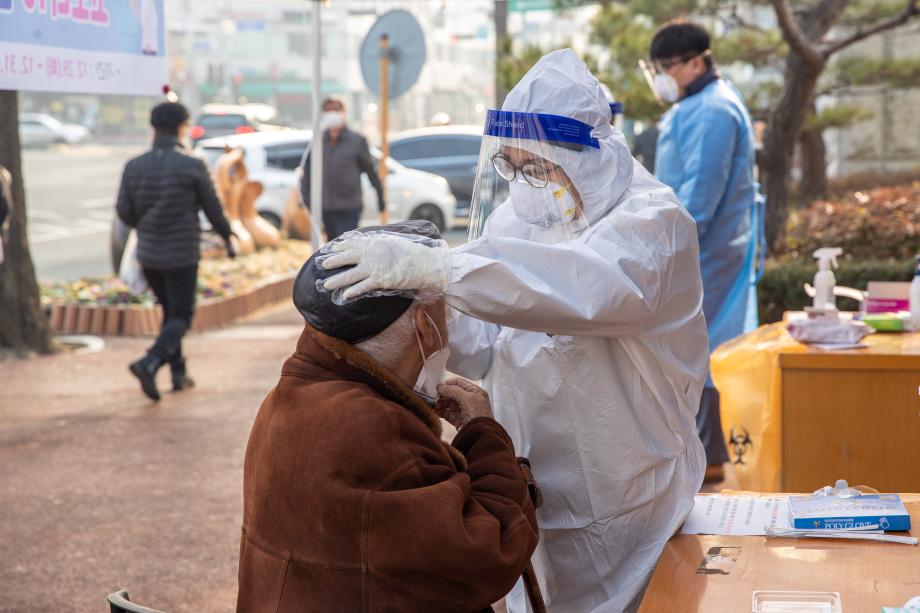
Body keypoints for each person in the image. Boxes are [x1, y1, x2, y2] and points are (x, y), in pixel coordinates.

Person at [321, 50, 708, 612]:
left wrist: (443, 269)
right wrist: (426, 335)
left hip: (630, 500)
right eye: (513, 166)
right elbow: (488, 337)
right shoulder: (521, 216)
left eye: (539, 168)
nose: (526, 184)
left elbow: (585, 290)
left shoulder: (653, 223)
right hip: (532, 491)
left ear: (587, 155)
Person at [237, 220, 541, 612]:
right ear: (424, 326)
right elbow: (490, 553)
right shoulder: (374, 429)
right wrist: (482, 432)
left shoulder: (292, 394)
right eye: (445, 311)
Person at [649, 21, 761, 483]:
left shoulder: (714, 110)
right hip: (701, 247)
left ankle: (711, 455)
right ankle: (705, 453)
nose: (662, 77)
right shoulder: (698, 105)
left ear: (697, 62)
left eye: (668, 67)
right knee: (699, 346)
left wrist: (666, 244)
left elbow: (702, 193)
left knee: (705, 348)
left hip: (706, 250)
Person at [116, 101, 235, 401]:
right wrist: (228, 237)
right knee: (181, 314)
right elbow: (213, 209)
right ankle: (150, 361)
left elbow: (124, 213)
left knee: (169, 312)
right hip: (181, 254)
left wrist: (148, 222)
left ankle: (179, 373)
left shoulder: (133, 166)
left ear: (153, 128)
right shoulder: (192, 164)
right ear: (182, 127)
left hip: (149, 254)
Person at [299, 97, 386, 240]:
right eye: (328, 110)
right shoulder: (318, 142)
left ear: (344, 112)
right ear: (323, 114)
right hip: (325, 208)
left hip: (349, 208)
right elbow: (307, 173)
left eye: (336, 110)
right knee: (331, 249)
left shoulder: (357, 141)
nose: (332, 113)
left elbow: (371, 171)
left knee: (345, 247)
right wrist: (307, 201)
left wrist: (380, 198)